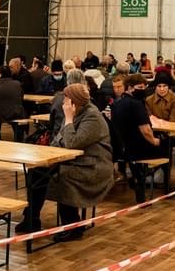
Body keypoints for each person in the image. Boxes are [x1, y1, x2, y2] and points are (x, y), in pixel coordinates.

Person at [17, 84, 113, 239]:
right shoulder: (74, 112)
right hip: (74, 160)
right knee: (37, 172)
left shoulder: (92, 116)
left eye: (66, 99)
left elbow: (71, 142)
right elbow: (60, 138)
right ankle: (31, 219)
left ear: (75, 101)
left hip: (94, 165)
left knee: (64, 176)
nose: (63, 102)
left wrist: (68, 119)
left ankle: (73, 226)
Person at [111, 74, 162, 202]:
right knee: (167, 144)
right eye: (140, 87)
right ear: (129, 87)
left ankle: (135, 178)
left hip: (122, 147)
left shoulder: (118, 103)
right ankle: (159, 182)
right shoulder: (137, 104)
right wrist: (155, 141)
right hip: (138, 149)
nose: (143, 89)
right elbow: (145, 130)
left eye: (145, 87)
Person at [0, 65, 25, 140]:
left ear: (0, 74)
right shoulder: (17, 84)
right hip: (15, 112)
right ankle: (18, 140)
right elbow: (21, 97)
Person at [49, 69, 86, 137]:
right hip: (76, 137)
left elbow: (51, 123)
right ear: (83, 82)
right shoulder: (85, 99)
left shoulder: (58, 97)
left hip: (57, 136)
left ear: (67, 81)